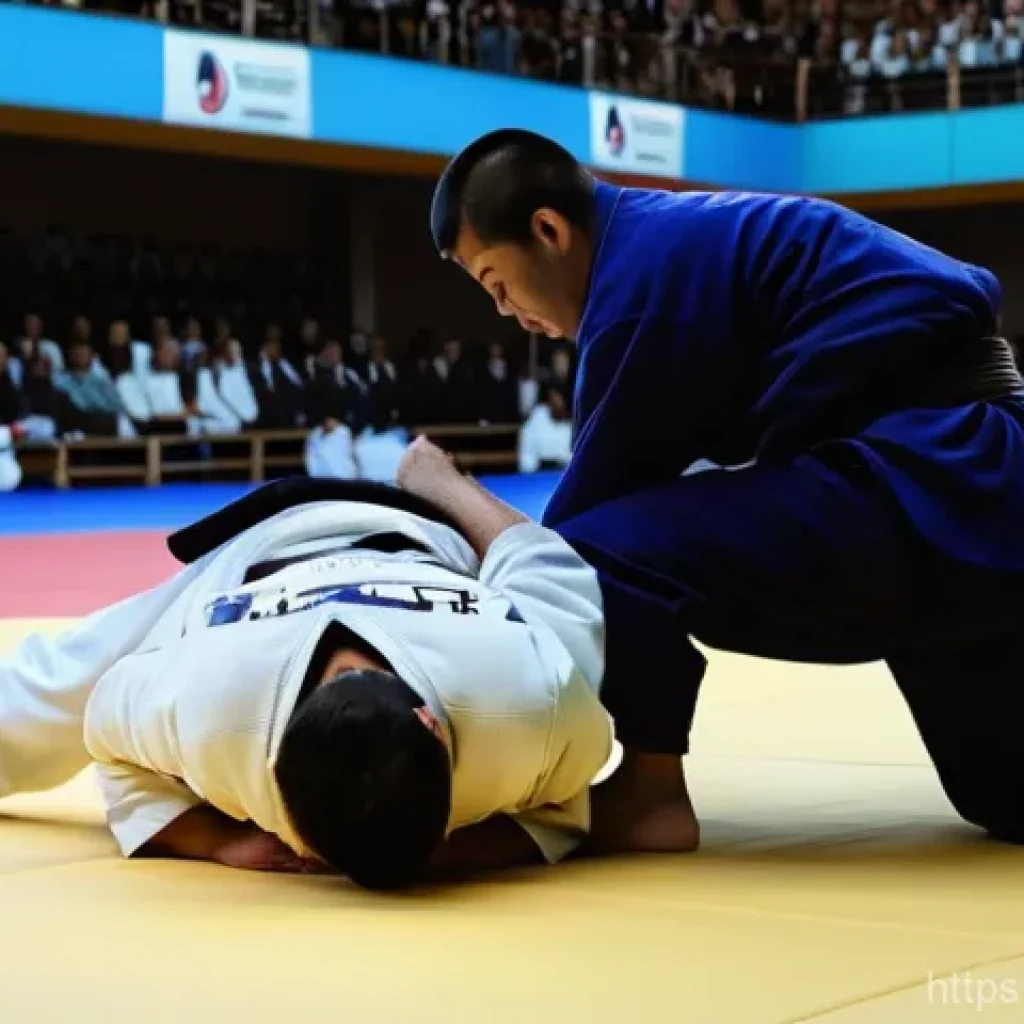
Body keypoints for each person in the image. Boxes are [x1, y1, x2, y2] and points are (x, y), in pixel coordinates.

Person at [429, 128, 1024, 856]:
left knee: (599, 555)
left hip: (933, 476)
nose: (504, 311)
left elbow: (565, 553)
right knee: (1004, 793)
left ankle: (650, 797)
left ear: (549, 231)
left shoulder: (637, 285)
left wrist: (444, 491)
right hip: (969, 484)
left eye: (497, 282)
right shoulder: (666, 242)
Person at [0, 465, 611, 889]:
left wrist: (448, 486)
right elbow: (104, 726)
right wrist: (211, 839)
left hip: (419, 537)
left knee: (70, 679)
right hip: (260, 553)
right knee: (60, 687)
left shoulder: (531, 694)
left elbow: (541, 561)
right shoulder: (216, 704)